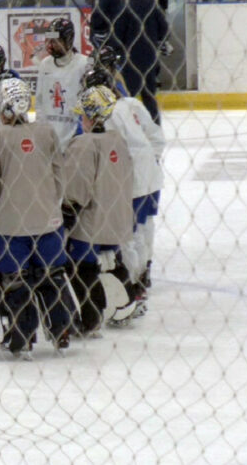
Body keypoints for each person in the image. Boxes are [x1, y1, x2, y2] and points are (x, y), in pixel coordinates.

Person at [0, 78, 74, 356]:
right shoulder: (47, 133)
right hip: (48, 223)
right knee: (52, 276)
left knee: (16, 281)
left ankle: (22, 336)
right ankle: (61, 329)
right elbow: (60, 177)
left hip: (9, 226)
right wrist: (49, 204)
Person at [82, 67, 165, 316]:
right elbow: (155, 137)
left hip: (133, 178)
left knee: (127, 234)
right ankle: (143, 273)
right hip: (149, 173)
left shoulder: (107, 113)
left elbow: (110, 151)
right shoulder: (129, 104)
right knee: (143, 226)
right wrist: (153, 160)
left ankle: (134, 283)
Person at [60, 85, 134, 336]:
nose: (81, 120)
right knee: (111, 260)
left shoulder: (83, 144)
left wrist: (66, 212)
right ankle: (128, 301)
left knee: (80, 268)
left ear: (92, 116)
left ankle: (91, 319)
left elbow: (76, 187)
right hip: (117, 219)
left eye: (83, 115)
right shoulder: (118, 141)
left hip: (90, 223)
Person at [35, 18, 90, 152]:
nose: (50, 45)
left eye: (55, 41)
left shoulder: (84, 64)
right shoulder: (45, 64)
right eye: (48, 40)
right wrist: (41, 132)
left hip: (75, 138)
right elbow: (40, 101)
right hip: (50, 139)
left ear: (68, 40)